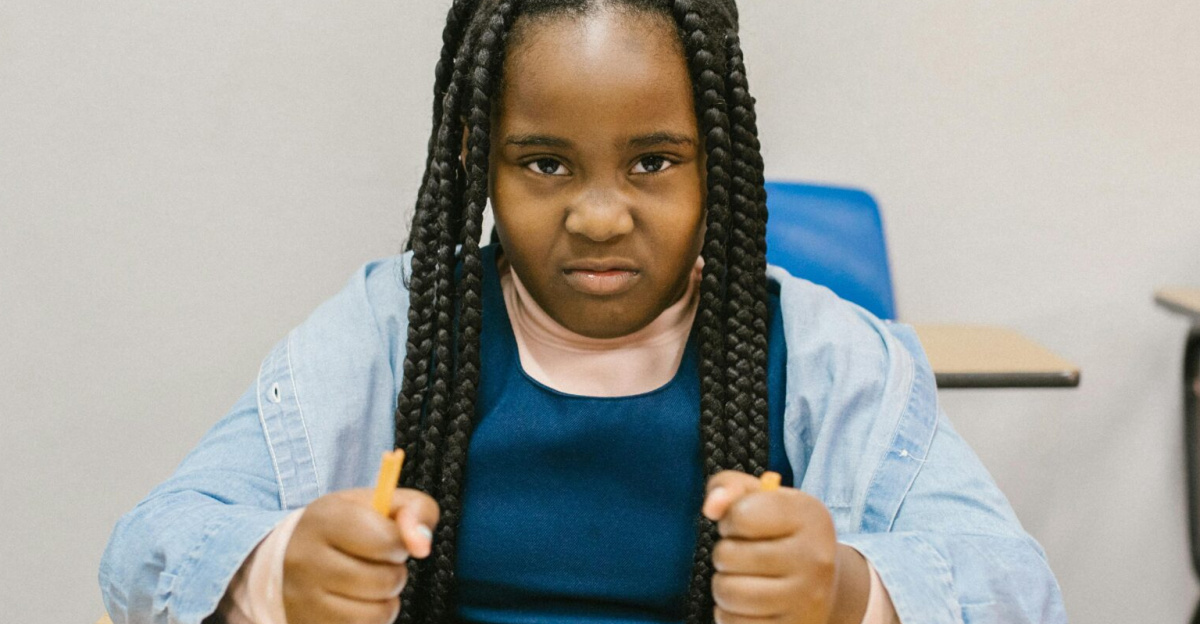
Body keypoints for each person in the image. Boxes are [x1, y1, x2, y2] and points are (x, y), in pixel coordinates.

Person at [99, 1, 1066, 623]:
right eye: (546, 163)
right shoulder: (394, 332)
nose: (600, 215)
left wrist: (854, 592)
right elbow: (150, 544)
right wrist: (275, 571)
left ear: (716, 161)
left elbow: (1023, 591)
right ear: (481, 158)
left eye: (653, 161)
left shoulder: (827, 357)